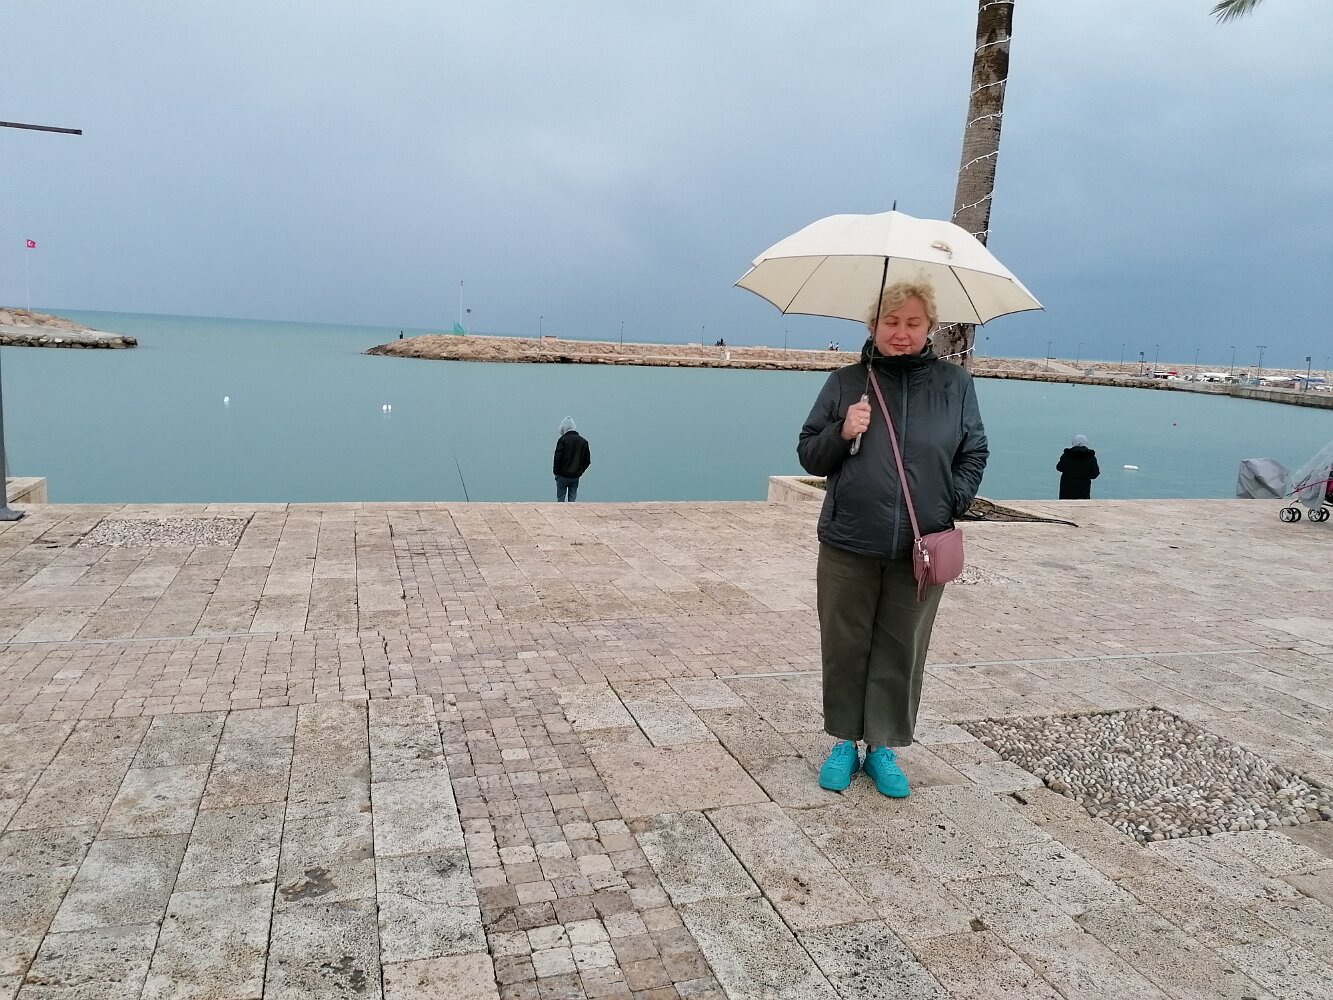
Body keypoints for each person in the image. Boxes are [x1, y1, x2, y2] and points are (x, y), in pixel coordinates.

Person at [798, 280, 988, 799]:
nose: (901, 333)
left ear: (930, 328)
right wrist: (842, 432)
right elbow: (809, 455)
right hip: (848, 541)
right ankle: (843, 741)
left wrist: (949, 503)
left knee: (901, 647)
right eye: (891, 322)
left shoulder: (955, 385)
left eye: (912, 323)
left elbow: (974, 451)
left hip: (921, 546)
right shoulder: (845, 382)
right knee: (845, 645)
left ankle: (881, 745)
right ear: (872, 326)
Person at [553, 417, 591, 502]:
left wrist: (556, 472)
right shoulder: (583, 442)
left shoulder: (562, 440)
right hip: (575, 476)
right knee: (572, 500)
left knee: (560, 499)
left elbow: (557, 458)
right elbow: (587, 461)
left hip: (562, 475)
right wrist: (580, 471)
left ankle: (561, 511)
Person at [1056, 434, 1100, 499]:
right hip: (1083, 493)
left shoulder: (1066, 455)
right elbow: (1094, 474)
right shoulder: (1090, 457)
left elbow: (1059, 468)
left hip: (1066, 493)